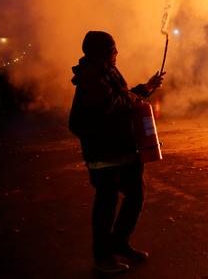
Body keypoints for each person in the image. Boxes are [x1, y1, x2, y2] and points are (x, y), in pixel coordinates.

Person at [69, 31, 164, 274]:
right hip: (103, 152)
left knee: (136, 194)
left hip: (121, 148)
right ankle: (102, 257)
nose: (116, 53)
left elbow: (121, 97)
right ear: (101, 52)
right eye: (112, 49)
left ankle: (119, 243)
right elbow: (111, 104)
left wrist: (145, 87)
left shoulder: (105, 71)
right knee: (107, 201)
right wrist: (136, 98)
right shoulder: (91, 75)